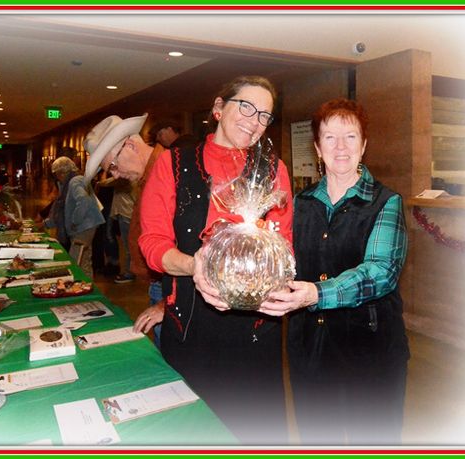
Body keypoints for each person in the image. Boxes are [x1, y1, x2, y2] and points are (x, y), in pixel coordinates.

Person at [138, 76, 294, 444]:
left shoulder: (274, 171)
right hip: (193, 327)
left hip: (256, 331)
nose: (255, 121)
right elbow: (152, 243)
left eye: (265, 116)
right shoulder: (173, 164)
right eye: (246, 107)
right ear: (219, 107)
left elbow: (284, 245)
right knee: (194, 432)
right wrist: (196, 266)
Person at [276, 98, 410, 445]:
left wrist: (317, 293)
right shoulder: (301, 203)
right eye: (330, 137)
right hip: (309, 349)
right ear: (317, 148)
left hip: (370, 350)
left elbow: (381, 272)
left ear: (363, 145)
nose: (340, 147)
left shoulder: (385, 201)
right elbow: (285, 262)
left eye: (350, 137)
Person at [83, 113, 167, 328]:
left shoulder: (168, 173)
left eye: (112, 165)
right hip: (161, 284)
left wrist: (169, 303)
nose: (116, 174)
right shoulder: (150, 175)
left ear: (130, 145)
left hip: (171, 290)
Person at [42, 156, 104, 278]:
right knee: (82, 259)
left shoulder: (75, 181)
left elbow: (84, 200)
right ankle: (85, 285)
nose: (57, 178)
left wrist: (75, 221)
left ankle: (84, 286)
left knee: (79, 260)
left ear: (62, 172)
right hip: (86, 225)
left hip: (84, 226)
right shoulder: (72, 182)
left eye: (57, 174)